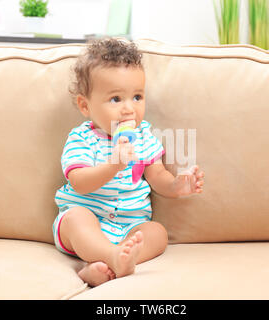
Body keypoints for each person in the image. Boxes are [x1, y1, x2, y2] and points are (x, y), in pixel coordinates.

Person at [53, 37, 205, 287]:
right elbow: (78, 183)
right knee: (75, 218)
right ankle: (112, 256)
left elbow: (158, 176)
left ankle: (104, 265)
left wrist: (178, 186)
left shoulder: (144, 136)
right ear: (85, 105)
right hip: (87, 221)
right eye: (116, 99)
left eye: (137, 97)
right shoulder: (82, 138)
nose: (129, 109)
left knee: (158, 233)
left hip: (128, 227)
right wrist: (113, 164)